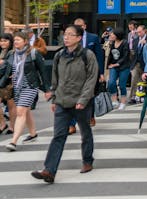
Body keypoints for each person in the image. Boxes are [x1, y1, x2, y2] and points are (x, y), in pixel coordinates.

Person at [30, 25, 98, 183]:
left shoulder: (87, 55)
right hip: (62, 101)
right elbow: (55, 79)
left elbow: (91, 79)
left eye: (70, 35)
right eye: (65, 34)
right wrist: (54, 98)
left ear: (79, 38)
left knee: (85, 132)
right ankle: (49, 170)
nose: (66, 37)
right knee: (58, 136)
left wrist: (83, 100)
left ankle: (87, 160)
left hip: (81, 102)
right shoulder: (59, 55)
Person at [5, 31, 51, 151]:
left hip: (30, 86)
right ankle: (33, 134)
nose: (15, 42)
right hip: (16, 87)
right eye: (14, 40)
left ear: (25, 41)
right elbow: (7, 70)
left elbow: (43, 71)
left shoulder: (34, 53)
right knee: (26, 111)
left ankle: (13, 141)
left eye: (18, 40)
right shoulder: (11, 54)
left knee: (20, 111)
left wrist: (47, 89)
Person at [69, 18, 104, 134]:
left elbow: (99, 56)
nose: (78, 28)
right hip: (75, 73)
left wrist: (101, 73)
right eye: (76, 26)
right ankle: (72, 124)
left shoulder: (93, 38)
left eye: (80, 26)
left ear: (85, 26)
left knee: (89, 96)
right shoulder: (70, 38)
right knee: (74, 97)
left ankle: (90, 116)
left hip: (90, 72)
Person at [106, 28, 130, 109]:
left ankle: (123, 102)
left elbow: (125, 56)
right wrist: (108, 65)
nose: (111, 35)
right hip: (113, 66)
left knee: (122, 85)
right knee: (111, 83)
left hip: (124, 67)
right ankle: (114, 100)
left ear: (117, 35)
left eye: (112, 34)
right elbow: (110, 55)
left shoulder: (125, 43)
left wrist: (116, 64)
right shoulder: (112, 43)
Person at [0, 33, 16, 135]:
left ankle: (12, 126)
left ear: (10, 42)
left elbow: (10, 66)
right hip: (1, 80)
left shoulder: (12, 52)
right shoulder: (1, 52)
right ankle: (2, 123)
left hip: (9, 81)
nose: (3, 43)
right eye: (1, 41)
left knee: (11, 106)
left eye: (5, 41)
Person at [128, 25, 147, 105]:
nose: (138, 34)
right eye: (137, 32)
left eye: (140, 32)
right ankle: (132, 96)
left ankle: (144, 96)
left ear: (144, 31)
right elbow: (133, 52)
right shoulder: (135, 40)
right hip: (136, 63)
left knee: (144, 80)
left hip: (145, 62)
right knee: (134, 79)